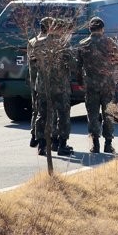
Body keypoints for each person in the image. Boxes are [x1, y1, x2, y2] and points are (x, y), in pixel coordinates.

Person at [30, 17, 76, 157]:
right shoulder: (63, 44)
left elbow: (32, 64)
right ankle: (62, 145)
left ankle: (41, 145)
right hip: (60, 86)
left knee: (42, 115)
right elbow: (73, 65)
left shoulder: (37, 44)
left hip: (43, 86)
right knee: (63, 116)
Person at [77, 17, 118, 154]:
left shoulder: (83, 44)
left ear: (90, 29)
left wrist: (80, 82)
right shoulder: (110, 43)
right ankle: (108, 143)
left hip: (91, 86)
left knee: (93, 115)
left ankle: (95, 144)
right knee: (108, 114)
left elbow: (78, 67)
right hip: (108, 85)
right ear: (102, 29)